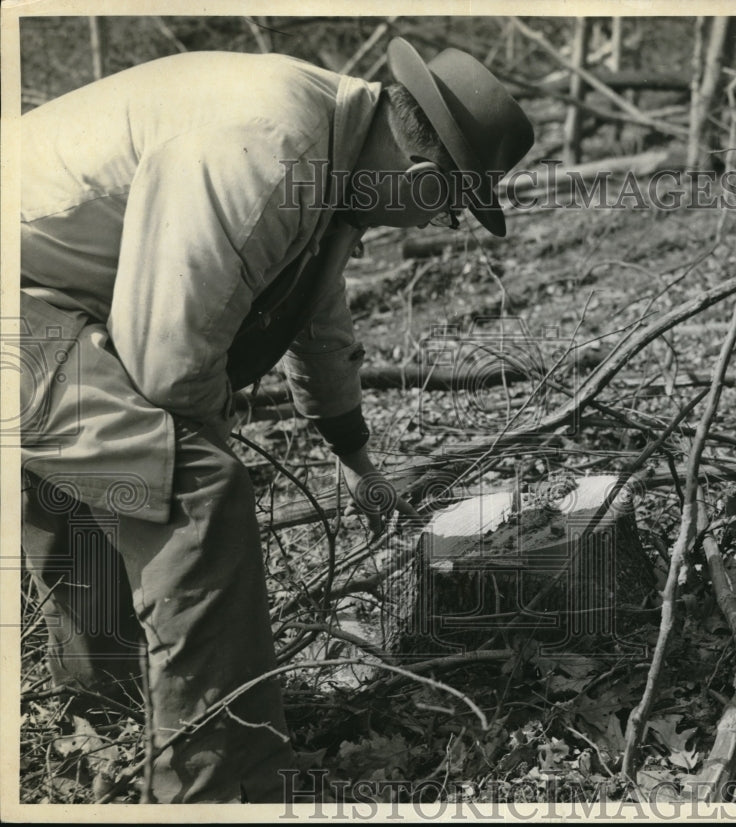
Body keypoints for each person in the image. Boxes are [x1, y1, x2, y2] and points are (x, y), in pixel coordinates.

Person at [19, 36, 534, 803]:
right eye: (453, 207)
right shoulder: (272, 149)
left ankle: (115, 705)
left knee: (107, 476)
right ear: (426, 182)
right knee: (190, 489)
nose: (442, 220)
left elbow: (314, 311)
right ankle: (222, 789)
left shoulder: (333, 154)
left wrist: (352, 453)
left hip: (44, 291)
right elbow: (164, 366)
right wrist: (212, 490)